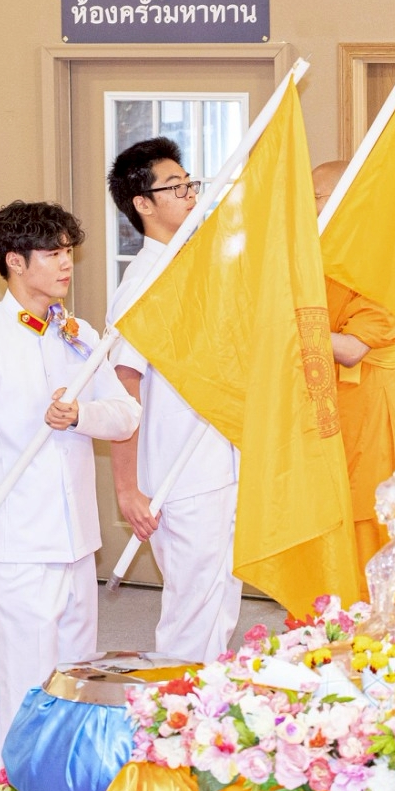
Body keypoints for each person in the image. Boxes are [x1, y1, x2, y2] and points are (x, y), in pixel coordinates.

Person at [0, 201, 140, 767]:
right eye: (53, 254)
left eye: (68, 252)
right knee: (23, 688)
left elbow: (127, 414)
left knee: (77, 683)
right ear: (15, 261)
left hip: (78, 543)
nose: (66, 265)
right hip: (16, 546)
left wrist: (80, 414)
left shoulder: (80, 334)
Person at [105, 138, 241, 662]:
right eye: (176, 187)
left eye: (191, 184)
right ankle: (173, 725)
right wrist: (128, 488)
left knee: (220, 604)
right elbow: (122, 384)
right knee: (191, 612)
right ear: (143, 204)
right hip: (177, 475)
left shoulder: (196, 271)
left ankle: (208, 721)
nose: (190, 195)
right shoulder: (144, 283)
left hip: (219, 459)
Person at [312, 160, 395, 568]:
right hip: (324, 405)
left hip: (369, 411)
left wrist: (286, 325)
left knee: (370, 524)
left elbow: (353, 348)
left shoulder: (385, 261)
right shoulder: (322, 256)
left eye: (315, 197)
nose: (308, 207)